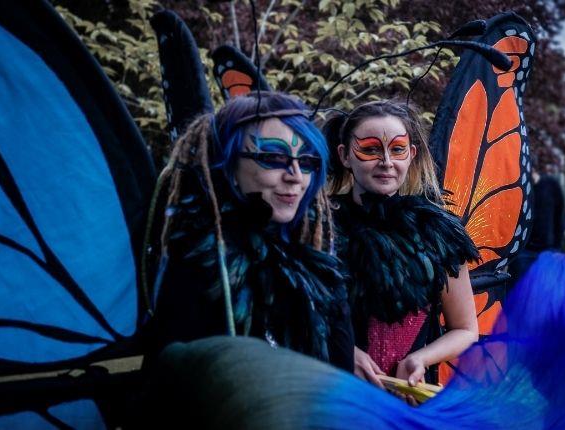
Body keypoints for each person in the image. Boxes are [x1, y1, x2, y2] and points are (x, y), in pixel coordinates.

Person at [144, 92, 353, 371]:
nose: (296, 176)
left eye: (306, 162)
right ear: (229, 166)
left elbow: (341, 371)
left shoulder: (318, 262)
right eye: (274, 157)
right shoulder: (198, 264)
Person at [323, 100, 480, 395]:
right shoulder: (320, 229)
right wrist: (343, 350)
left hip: (407, 401)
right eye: (369, 149)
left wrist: (421, 358)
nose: (386, 161)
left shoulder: (438, 233)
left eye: (397, 149)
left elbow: (465, 329)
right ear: (345, 155)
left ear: (411, 155)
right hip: (334, 396)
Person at [507, 167, 565, 292]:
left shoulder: (551, 185)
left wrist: (557, 249)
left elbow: (559, 219)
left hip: (547, 252)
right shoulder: (518, 188)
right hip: (522, 253)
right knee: (519, 294)